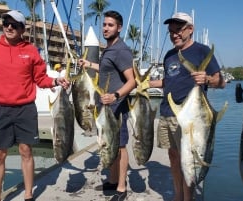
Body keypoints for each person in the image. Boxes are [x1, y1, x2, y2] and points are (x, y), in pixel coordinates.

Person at [0, 10, 69, 201]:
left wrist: (56, 81)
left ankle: (28, 194)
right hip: (0, 109)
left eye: (14, 25)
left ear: (22, 29)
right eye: (6, 23)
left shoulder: (31, 51)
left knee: (26, 151)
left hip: (25, 109)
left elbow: (40, 78)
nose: (9, 27)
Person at [149, 12, 225, 201]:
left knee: (188, 160)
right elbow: (169, 80)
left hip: (190, 117)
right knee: (173, 157)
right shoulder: (169, 55)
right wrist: (146, 84)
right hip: (167, 112)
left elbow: (220, 81)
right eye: (171, 31)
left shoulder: (202, 51)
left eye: (178, 30)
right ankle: (178, 194)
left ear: (190, 29)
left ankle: (187, 198)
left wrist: (206, 78)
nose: (174, 34)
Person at [79, 10, 135, 201]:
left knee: (119, 146)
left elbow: (132, 81)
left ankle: (122, 187)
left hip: (116, 107)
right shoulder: (109, 49)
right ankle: (112, 180)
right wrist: (88, 63)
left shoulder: (121, 50)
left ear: (119, 28)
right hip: (105, 107)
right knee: (110, 144)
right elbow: (105, 69)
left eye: (110, 25)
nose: (105, 28)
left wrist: (116, 95)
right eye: (104, 24)